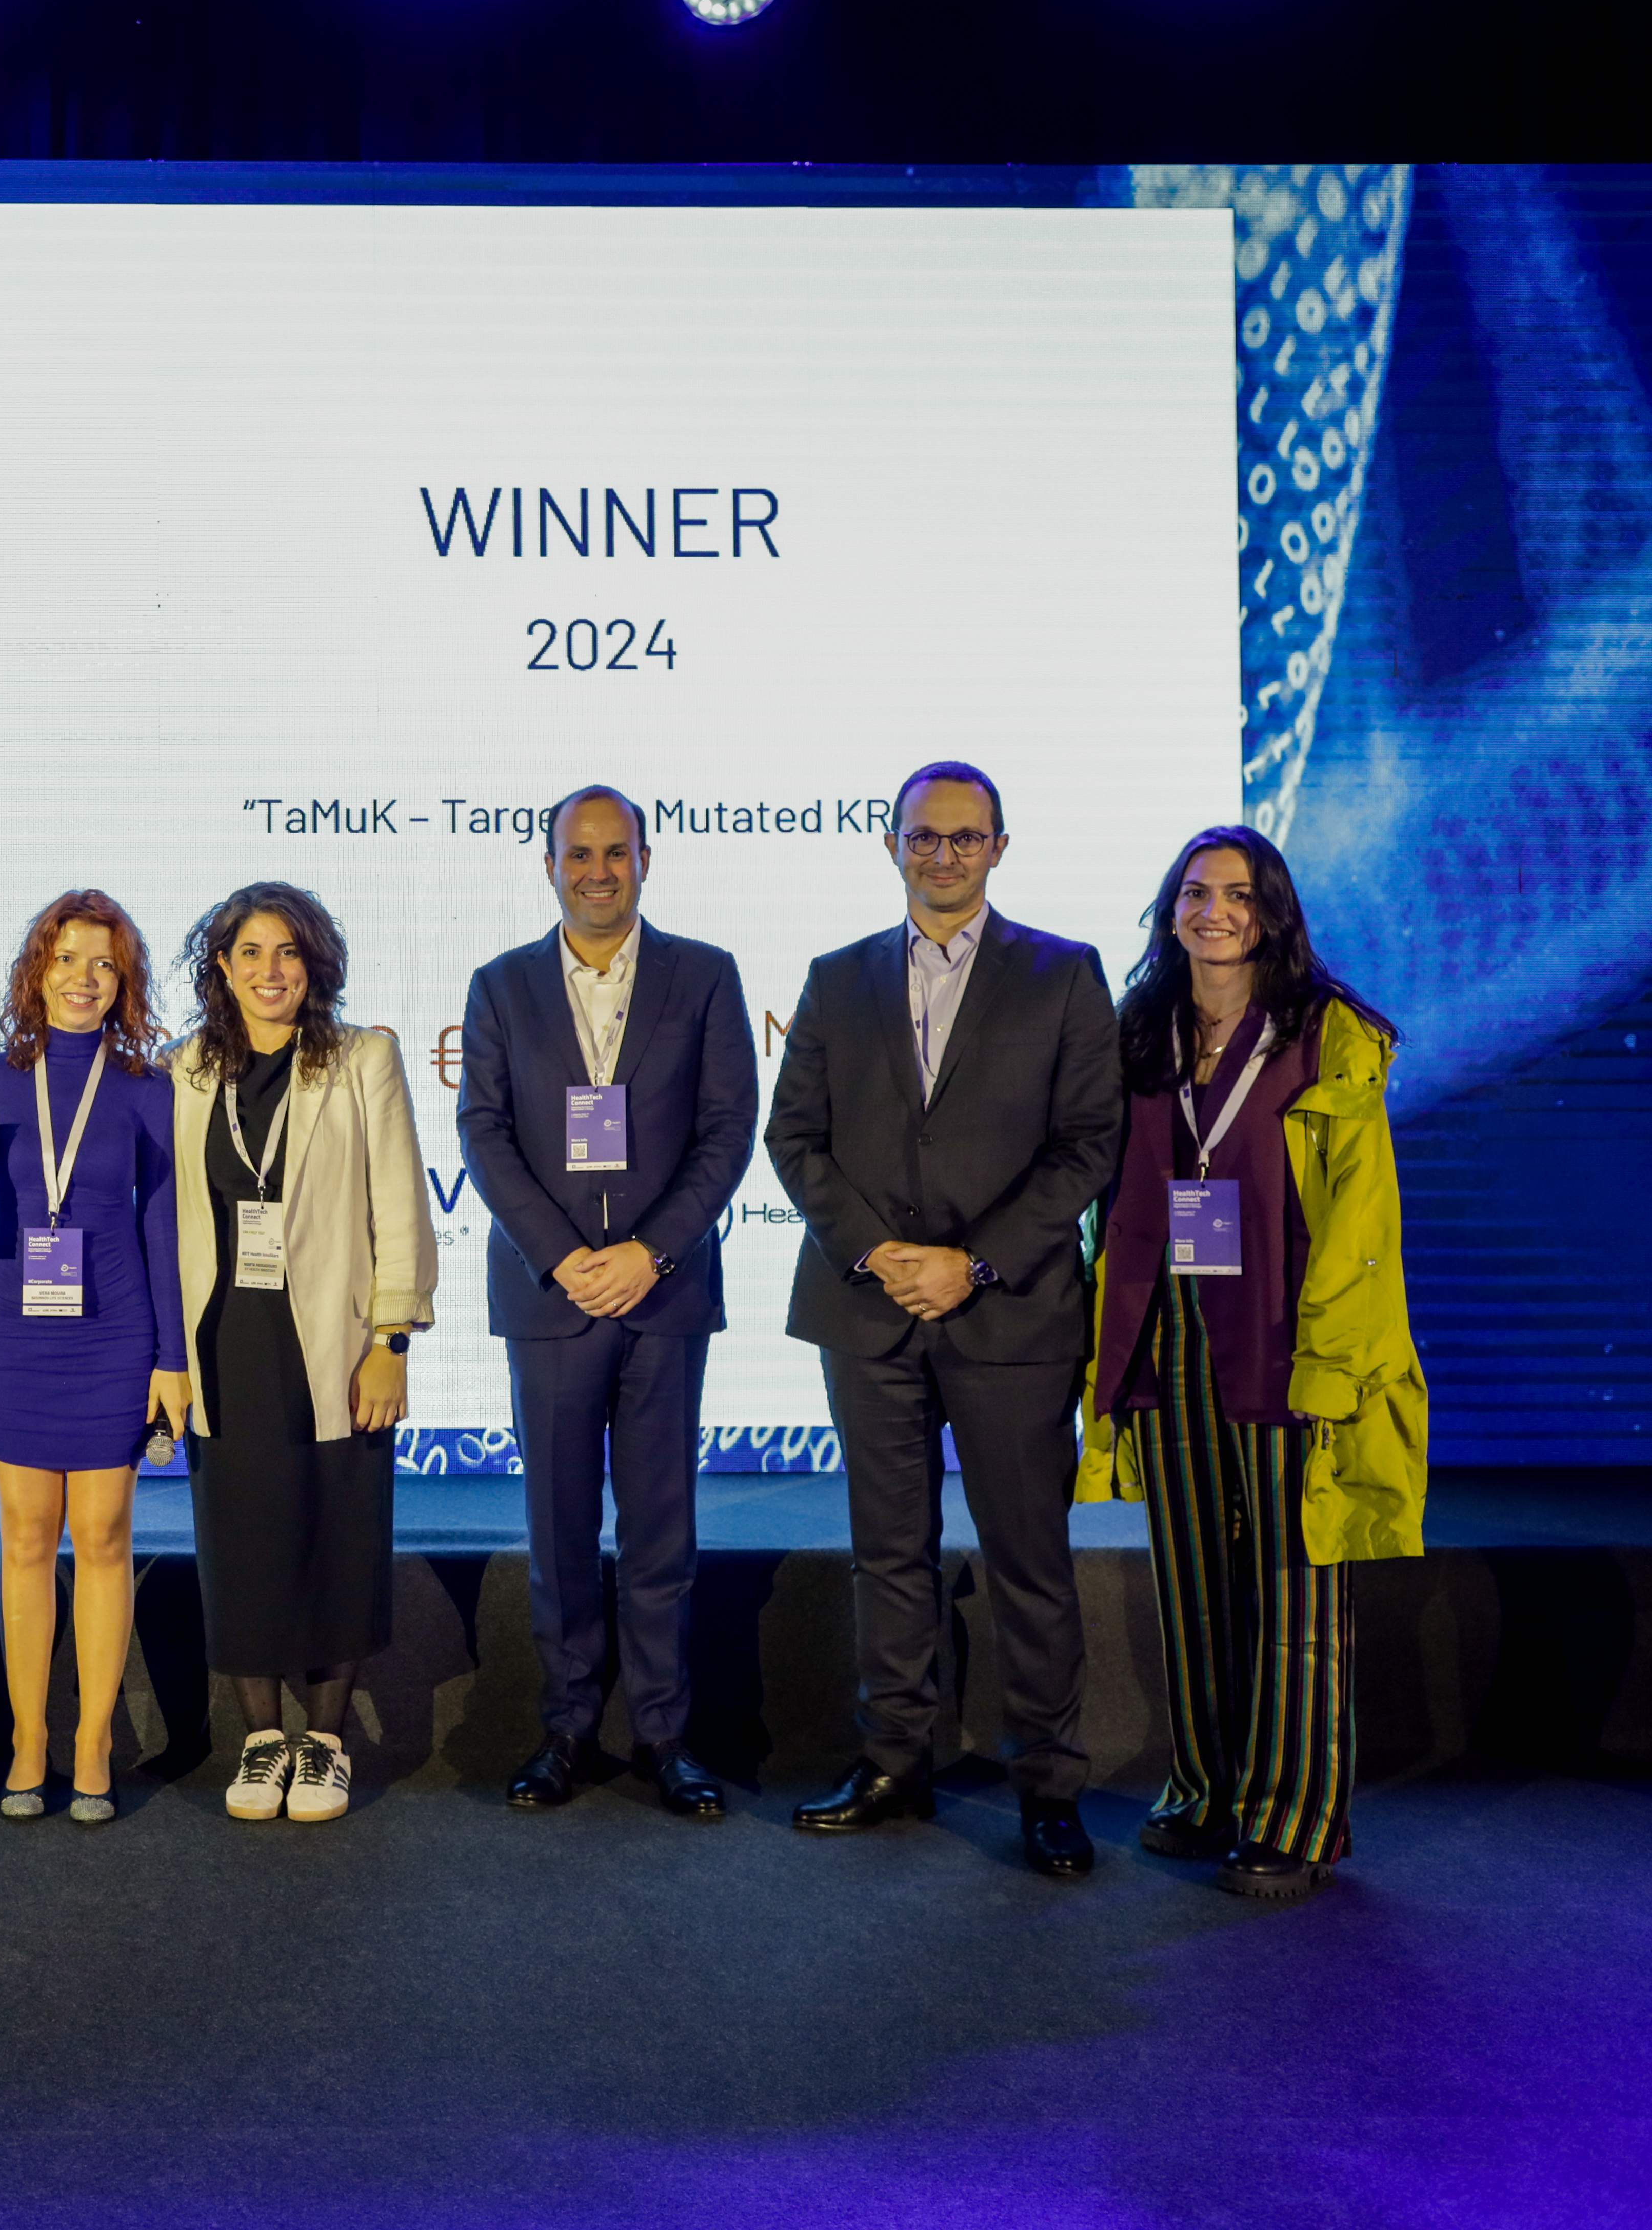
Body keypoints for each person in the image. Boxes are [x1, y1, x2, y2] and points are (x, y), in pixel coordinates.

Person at [765, 761, 1123, 1878]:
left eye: (967, 837)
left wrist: (971, 1264)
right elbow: (796, 1138)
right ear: (891, 844)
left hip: (1010, 1316)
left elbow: (1089, 1145)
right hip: (867, 1312)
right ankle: (895, 1761)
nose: (945, 854)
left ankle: (1049, 1785)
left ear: (1001, 848)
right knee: (889, 1556)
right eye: (925, 836)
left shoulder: (1065, 975)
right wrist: (879, 1253)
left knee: (1029, 1558)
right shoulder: (835, 978)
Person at [1080, 826, 1424, 1901]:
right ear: (1169, 910)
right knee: (1192, 1573)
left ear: (1273, 912)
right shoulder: (1141, 1028)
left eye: (1237, 893)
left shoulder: (1330, 1034)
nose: (1213, 910)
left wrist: (1341, 1357)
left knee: (1295, 1579)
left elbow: (1361, 1215)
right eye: (1195, 892)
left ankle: (1296, 1814)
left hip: (1286, 1331)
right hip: (1169, 1325)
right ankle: (1210, 1787)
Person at [455, 787, 757, 1820]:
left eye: (615, 852)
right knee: (561, 1527)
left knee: (663, 1530)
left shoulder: (706, 976)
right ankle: (569, 1726)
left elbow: (727, 1131)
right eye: (577, 854)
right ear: (548, 866)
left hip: (661, 1298)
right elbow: (483, 1133)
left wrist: (649, 1253)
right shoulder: (500, 986)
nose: (597, 870)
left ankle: (668, 1735)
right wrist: (566, 1258)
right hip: (554, 1300)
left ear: (644, 859)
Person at [170, 882, 437, 1825]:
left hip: (335, 1337)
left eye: (288, 953)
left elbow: (400, 1204)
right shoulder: (187, 1068)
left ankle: (322, 1743)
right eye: (250, 952)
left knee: (341, 1530)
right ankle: (260, 1736)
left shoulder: (363, 1059)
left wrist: (392, 1340)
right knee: (241, 1534)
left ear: (314, 965)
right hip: (226, 1337)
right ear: (222, 967)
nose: (270, 971)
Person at [0, 892, 187, 1823]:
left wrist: (170, 1357)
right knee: (23, 1539)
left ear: (123, 980)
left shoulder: (147, 1086)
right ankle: (29, 1740)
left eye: (103, 964)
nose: (83, 979)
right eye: (66, 960)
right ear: (36, 970)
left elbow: (165, 1227)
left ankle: (92, 1742)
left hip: (115, 1330)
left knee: (100, 1539)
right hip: (13, 1331)